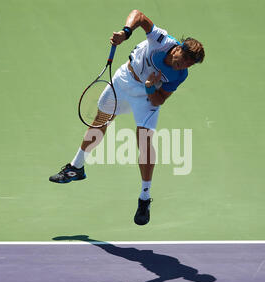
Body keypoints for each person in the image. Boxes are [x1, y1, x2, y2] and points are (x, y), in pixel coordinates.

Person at [49, 9, 205, 226]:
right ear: (177, 48)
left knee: (144, 140)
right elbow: (139, 15)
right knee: (100, 121)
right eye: (185, 58)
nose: (184, 64)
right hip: (123, 80)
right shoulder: (160, 40)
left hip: (146, 96)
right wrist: (126, 32)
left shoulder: (180, 75)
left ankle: (144, 198)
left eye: (190, 63)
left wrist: (150, 87)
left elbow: (159, 100)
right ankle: (76, 168)